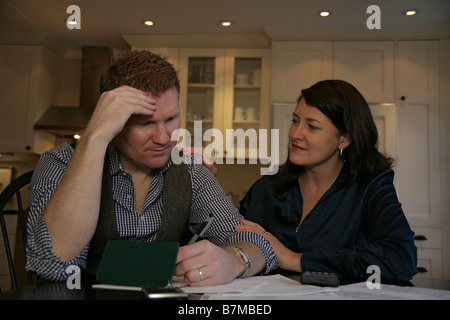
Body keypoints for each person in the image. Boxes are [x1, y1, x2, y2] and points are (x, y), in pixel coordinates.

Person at [26, 50, 277, 286]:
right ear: (112, 121)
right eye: (145, 123)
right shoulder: (59, 162)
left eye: (170, 119)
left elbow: (257, 243)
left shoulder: (189, 169)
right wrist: (95, 136)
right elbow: (54, 266)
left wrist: (233, 260)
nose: (163, 137)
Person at [236, 79, 417, 283]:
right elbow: (227, 242)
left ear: (344, 139)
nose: (296, 134)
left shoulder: (370, 186)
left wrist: (295, 260)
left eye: (312, 126)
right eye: (295, 120)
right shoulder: (265, 189)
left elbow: (401, 259)